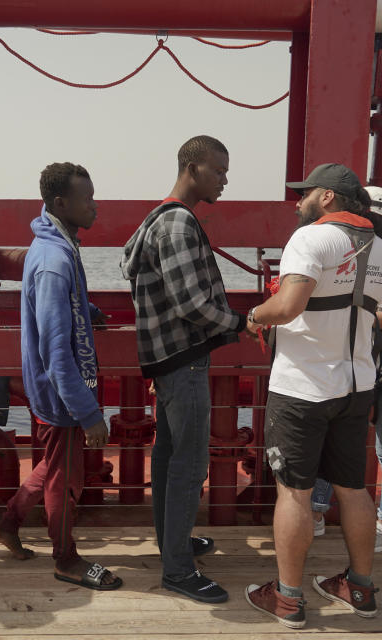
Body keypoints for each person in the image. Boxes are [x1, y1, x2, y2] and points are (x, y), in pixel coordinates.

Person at [243, 163, 382, 628]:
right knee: (353, 488)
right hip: (356, 385)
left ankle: (287, 598)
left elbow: (288, 307)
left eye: (306, 192)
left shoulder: (310, 239)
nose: (298, 200)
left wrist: (255, 314)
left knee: (294, 492)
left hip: (303, 387)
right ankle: (359, 587)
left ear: (327, 197)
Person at [120, 135, 259, 604]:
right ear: (194, 168)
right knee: (190, 463)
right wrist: (245, 320)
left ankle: (171, 543)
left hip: (165, 360)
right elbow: (192, 303)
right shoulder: (179, 224)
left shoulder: (158, 217)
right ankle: (178, 570)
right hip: (183, 359)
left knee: (168, 456)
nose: (225, 180)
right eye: (219, 171)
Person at [0, 162, 122, 591]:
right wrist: (88, 413)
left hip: (55, 392)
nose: (95, 205)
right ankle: (65, 559)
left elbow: (62, 313)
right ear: (61, 203)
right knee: (65, 480)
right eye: (87, 198)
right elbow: (54, 350)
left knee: (51, 467)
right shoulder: (53, 260)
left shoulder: (55, 245)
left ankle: (9, 524)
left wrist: (89, 314)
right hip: (62, 395)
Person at [310, 186, 382, 552]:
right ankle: (316, 512)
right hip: (361, 365)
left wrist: (346, 307)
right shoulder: (357, 257)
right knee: (336, 442)